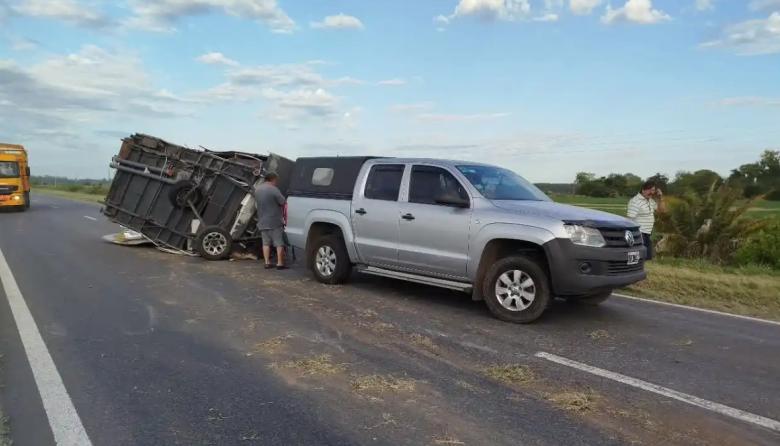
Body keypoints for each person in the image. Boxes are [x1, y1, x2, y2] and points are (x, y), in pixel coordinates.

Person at [254, 172, 287, 270]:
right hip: (274, 220)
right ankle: (280, 264)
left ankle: (267, 263)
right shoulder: (273, 189)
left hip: (262, 220)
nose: (277, 182)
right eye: (276, 180)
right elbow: (282, 201)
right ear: (273, 179)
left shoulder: (258, 190)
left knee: (265, 243)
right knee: (279, 243)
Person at [627, 180, 666, 260]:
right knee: (641, 257)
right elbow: (630, 219)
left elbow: (662, 211)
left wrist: (661, 197)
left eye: (653, 190)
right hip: (639, 232)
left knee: (647, 257)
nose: (652, 192)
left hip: (647, 233)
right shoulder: (635, 201)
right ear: (643, 190)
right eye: (649, 190)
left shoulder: (650, 201)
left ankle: (645, 269)